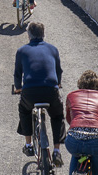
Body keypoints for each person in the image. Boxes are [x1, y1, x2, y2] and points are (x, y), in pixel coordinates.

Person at [12, 21, 65, 167]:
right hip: (50, 90)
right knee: (57, 116)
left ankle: (28, 145)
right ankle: (56, 151)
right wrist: (58, 83)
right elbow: (58, 71)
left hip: (30, 91)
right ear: (43, 34)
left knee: (24, 110)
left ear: (28, 35)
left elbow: (17, 74)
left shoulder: (22, 51)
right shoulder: (53, 49)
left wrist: (18, 88)